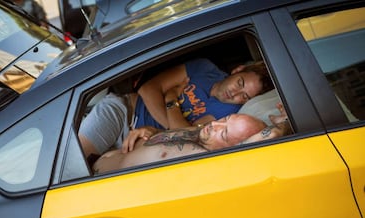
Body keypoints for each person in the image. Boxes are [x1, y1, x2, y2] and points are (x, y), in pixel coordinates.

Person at [79, 58, 273, 159]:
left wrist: (171, 97)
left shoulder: (228, 114)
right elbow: (148, 90)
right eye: (240, 83)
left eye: (245, 96)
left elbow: (184, 134)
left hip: (143, 146)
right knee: (73, 166)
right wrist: (172, 127)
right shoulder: (204, 68)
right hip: (125, 113)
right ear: (237, 70)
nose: (236, 94)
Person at [93, 106, 290, 173]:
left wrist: (283, 122)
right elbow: (169, 134)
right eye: (224, 120)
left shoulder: (204, 158)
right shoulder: (200, 134)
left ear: (235, 147)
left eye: (223, 133)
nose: (214, 126)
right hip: (101, 156)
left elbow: (271, 135)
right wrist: (148, 130)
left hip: (88, 183)